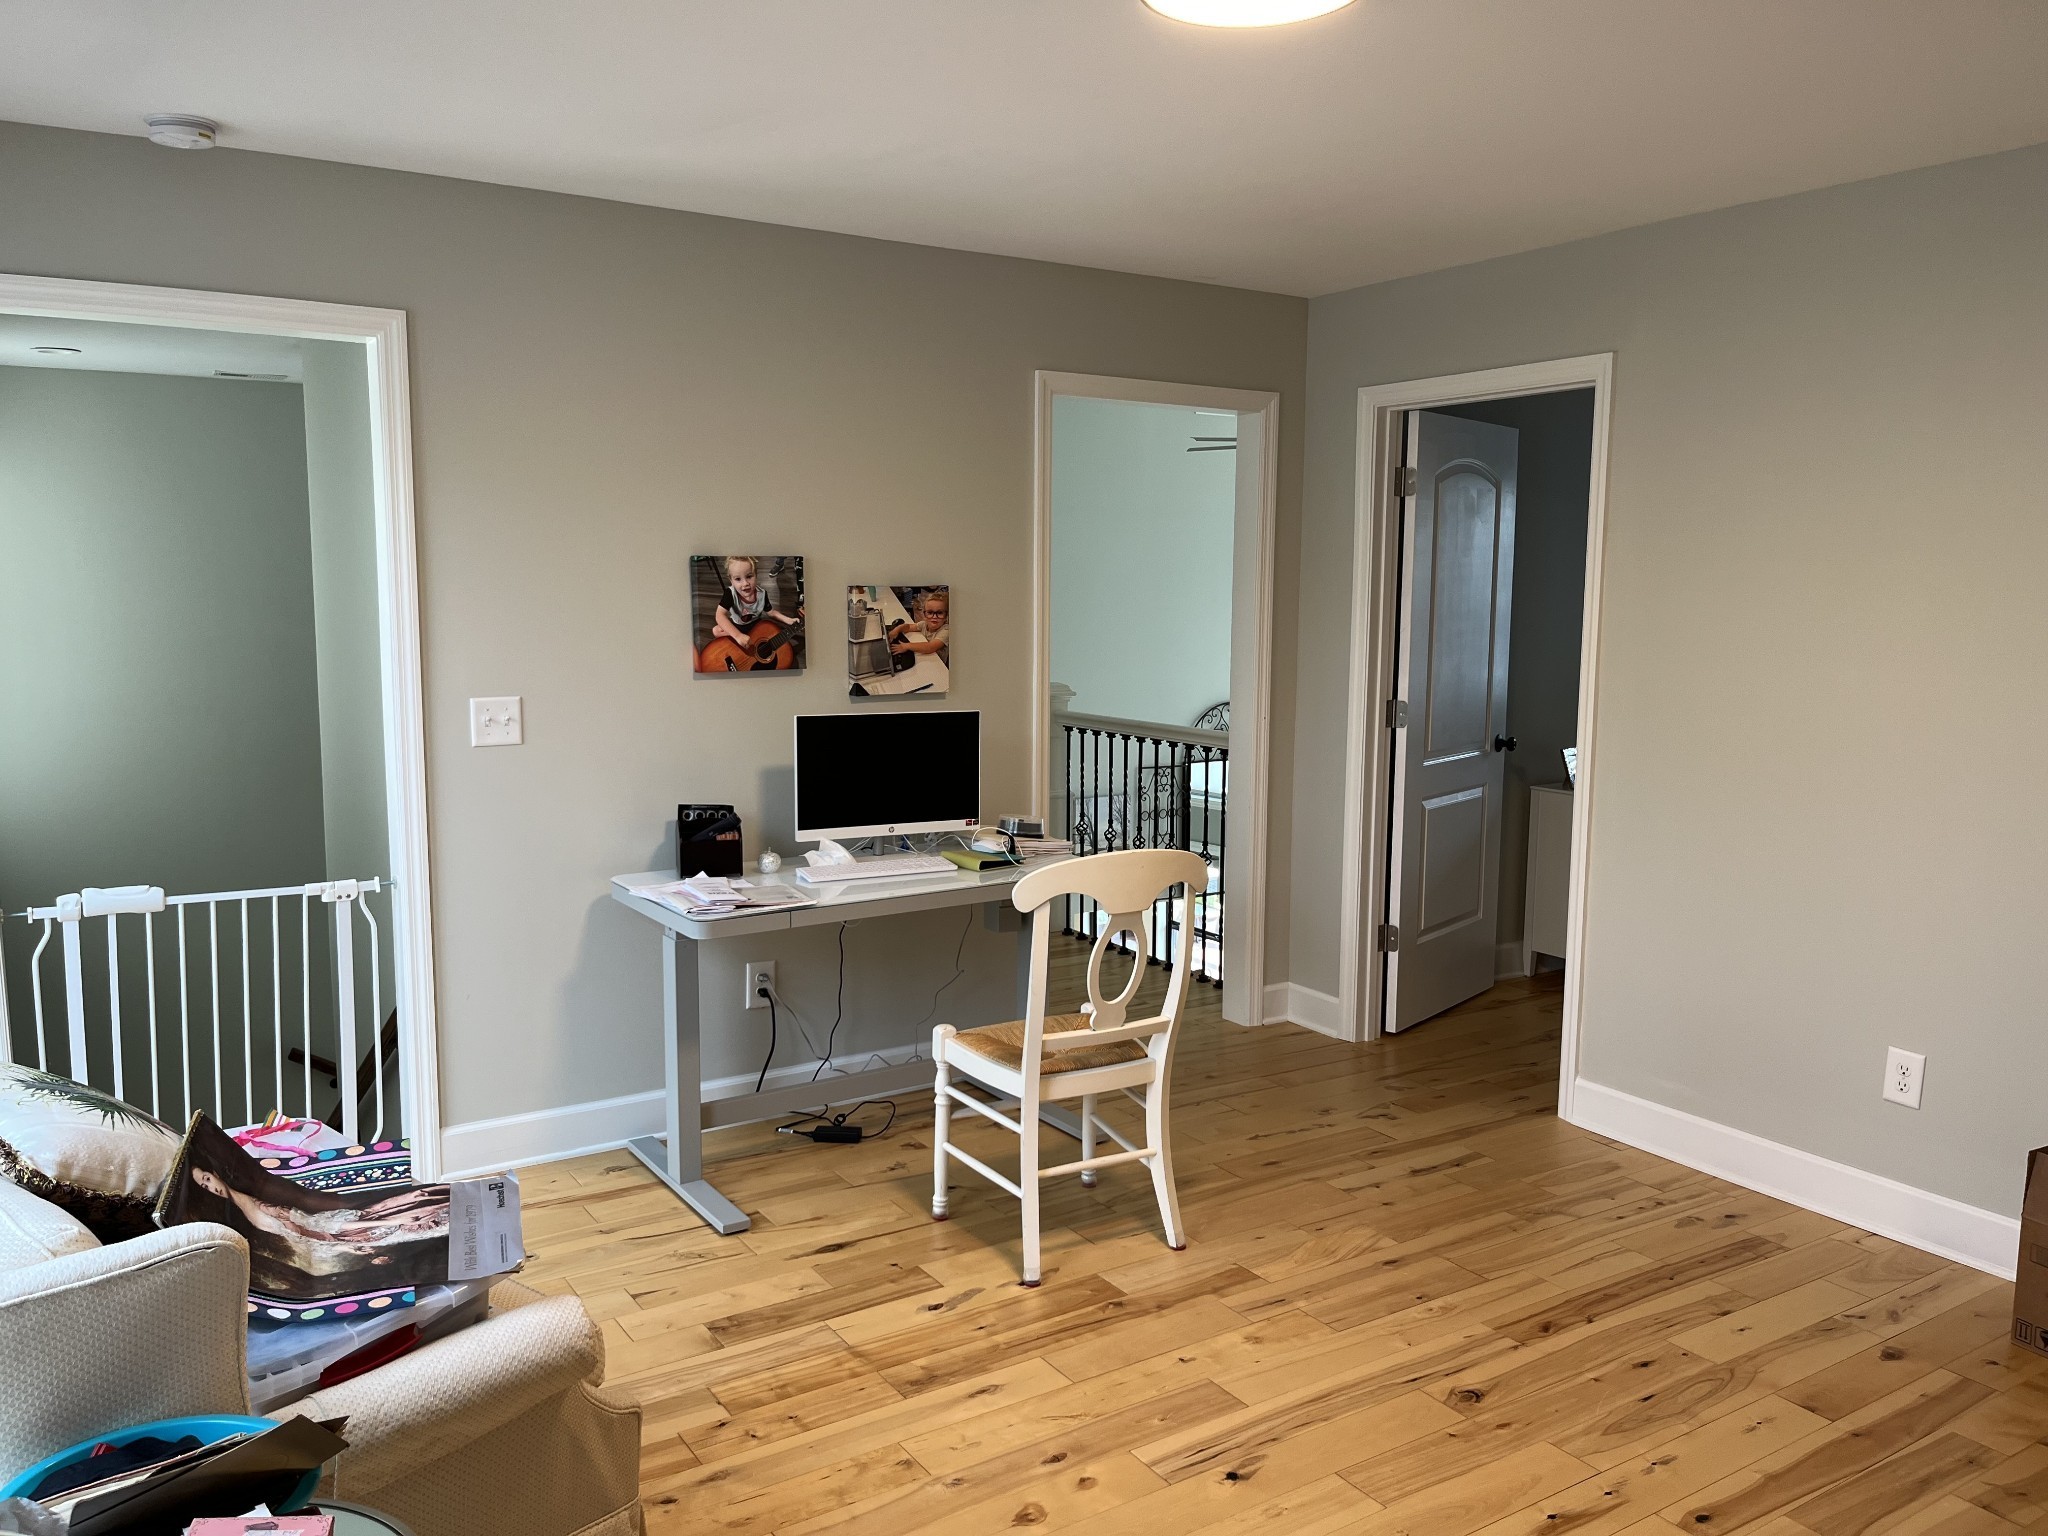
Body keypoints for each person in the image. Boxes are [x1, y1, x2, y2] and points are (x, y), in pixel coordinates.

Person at [711, 555, 802, 659]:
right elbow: (719, 615)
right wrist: (737, 635)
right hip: (738, 626)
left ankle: (747, 640)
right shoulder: (730, 594)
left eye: (749, 576)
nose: (745, 583)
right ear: (731, 581)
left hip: (756, 626)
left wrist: (788, 620)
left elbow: (771, 612)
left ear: (756, 575)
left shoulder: (762, 594)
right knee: (716, 630)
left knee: (771, 633)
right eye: (738, 579)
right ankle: (741, 641)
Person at [888, 587, 949, 664]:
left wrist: (906, 646)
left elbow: (930, 647)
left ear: (946, 616)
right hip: (927, 660)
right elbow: (909, 627)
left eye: (939, 613)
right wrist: (897, 629)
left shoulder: (946, 631)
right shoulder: (924, 624)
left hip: (938, 664)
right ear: (924, 614)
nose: (934, 617)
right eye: (930, 612)